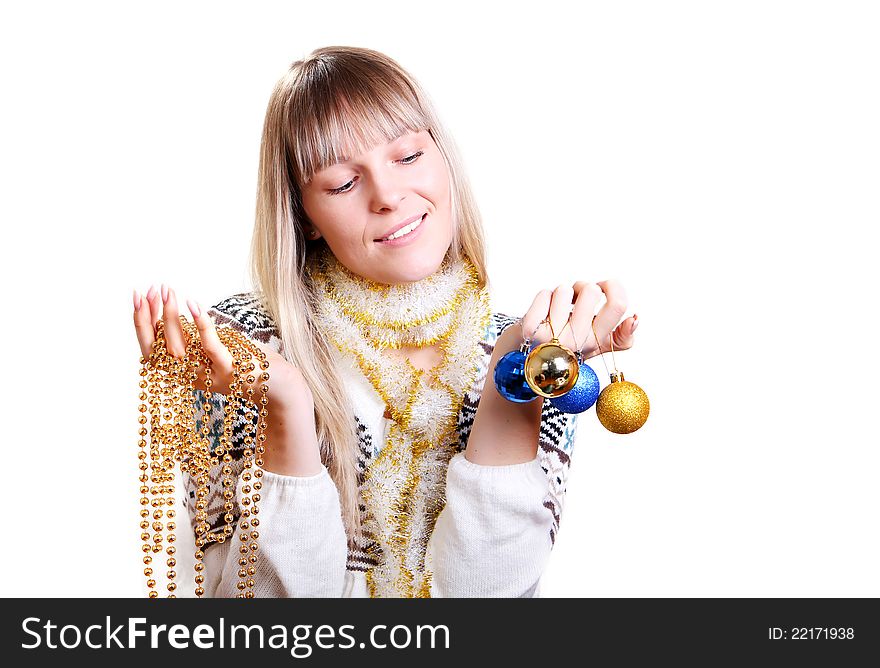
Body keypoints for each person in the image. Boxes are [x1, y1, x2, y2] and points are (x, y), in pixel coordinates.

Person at [132, 46, 639, 598]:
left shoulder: (528, 353)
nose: (389, 196)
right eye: (343, 184)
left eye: (408, 156)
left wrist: (508, 388)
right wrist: (287, 405)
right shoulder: (247, 344)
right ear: (305, 218)